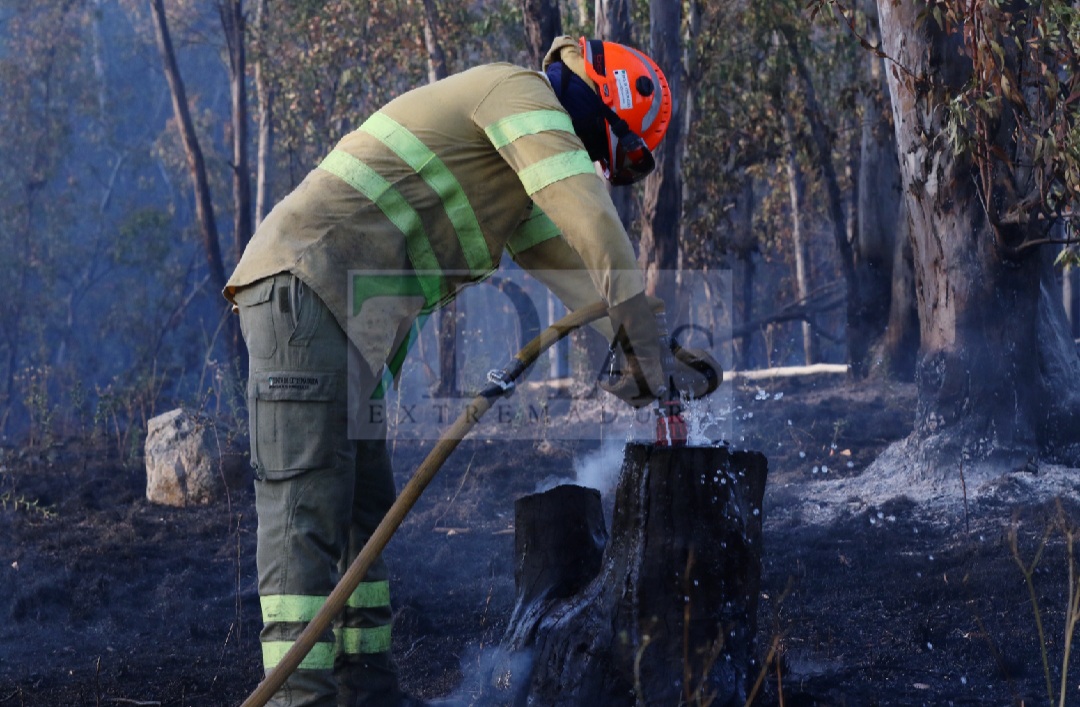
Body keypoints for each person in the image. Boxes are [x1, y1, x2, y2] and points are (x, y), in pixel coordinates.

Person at [225, 35, 709, 707]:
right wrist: (639, 336)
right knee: (305, 511)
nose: (598, 165)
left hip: (339, 322)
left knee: (363, 514)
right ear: (607, 102)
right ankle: (297, 697)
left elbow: (575, 270)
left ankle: (368, 692)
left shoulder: (514, 173)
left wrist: (651, 354)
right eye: (606, 151)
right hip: (305, 289)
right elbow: (594, 226)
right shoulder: (522, 96)